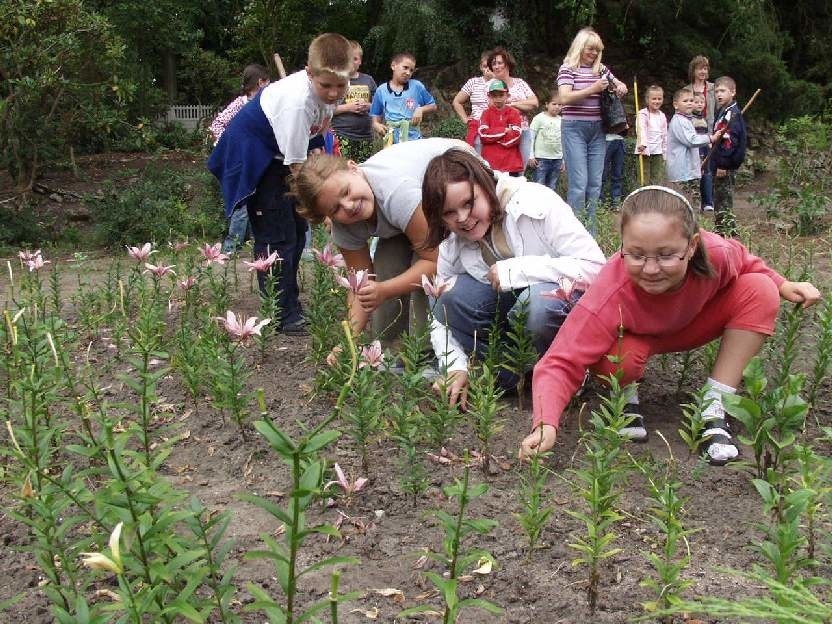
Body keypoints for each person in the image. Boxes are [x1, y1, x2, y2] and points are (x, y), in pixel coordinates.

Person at [520, 186, 820, 465]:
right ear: (622, 246)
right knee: (615, 358)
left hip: (693, 323)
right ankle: (624, 396)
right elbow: (560, 361)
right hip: (637, 338)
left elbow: (744, 259)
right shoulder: (609, 292)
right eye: (636, 255)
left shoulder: (716, 253)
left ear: (692, 246)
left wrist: (782, 283)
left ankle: (714, 402)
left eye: (666, 255)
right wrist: (545, 424)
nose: (650, 269)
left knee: (760, 289)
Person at [420, 149, 606, 409]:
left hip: (557, 312)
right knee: (446, 296)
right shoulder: (452, 240)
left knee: (536, 304)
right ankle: (509, 372)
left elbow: (596, 268)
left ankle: (567, 373)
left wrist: (517, 270)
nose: (462, 218)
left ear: (485, 185)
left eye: (468, 203)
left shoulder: (535, 201)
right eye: (449, 213)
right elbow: (440, 313)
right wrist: (454, 365)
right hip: (508, 321)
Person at [207, 33, 352, 336]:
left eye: (341, 85)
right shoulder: (296, 103)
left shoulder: (330, 92)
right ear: (309, 73)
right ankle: (280, 311)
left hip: (281, 153)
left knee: (297, 233)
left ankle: (290, 301)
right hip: (255, 155)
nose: (334, 92)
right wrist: (323, 210)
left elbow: (319, 134)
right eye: (326, 85)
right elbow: (298, 169)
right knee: (277, 235)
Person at [295, 139, 471, 340]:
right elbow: (361, 284)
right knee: (386, 263)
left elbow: (434, 261)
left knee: (422, 275)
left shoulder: (396, 192)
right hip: (411, 215)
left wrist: (385, 290)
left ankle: (426, 350)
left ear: (354, 169)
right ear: (327, 216)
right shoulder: (344, 226)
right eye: (335, 209)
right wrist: (349, 342)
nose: (349, 206)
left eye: (346, 192)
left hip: (459, 180)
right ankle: (390, 349)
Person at [557, 27, 628, 234]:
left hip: (598, 130)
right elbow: (564, 98)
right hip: (574, 128)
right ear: (580, 47)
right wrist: (593, 89)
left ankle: (592, 231)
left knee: (595, 182)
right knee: (579, 182)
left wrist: (621, 86)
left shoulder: (602, 69)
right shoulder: (567, 68)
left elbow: (619, 84)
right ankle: (574, 231)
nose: (594, 53)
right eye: (590, 49)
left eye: (597, 50)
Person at [209, 64, 271, 254]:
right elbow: (217, 124)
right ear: (260, 82)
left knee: (258, 201)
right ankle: (231, 247)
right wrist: (228, 146)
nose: (270, 85)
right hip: (240, 160)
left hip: (258, 160)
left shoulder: (268, 103)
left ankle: (257, 244)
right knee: (241, 201)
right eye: (267, 81)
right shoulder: (240, 103)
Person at [486, 47, 539, 166]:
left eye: (500, 63)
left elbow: (534, 103)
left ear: (508, 64)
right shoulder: (490, 85)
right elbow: (494, 107)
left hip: (523, 131)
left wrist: (513, 104)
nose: (496, 66)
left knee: (520, 169)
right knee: (501, 171)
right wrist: (523, 105)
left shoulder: (520, 83)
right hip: (502, 133)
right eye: (494, 64)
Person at [370, 52, 436, 145]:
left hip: (414, 140)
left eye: (411, 70)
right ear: (393, 66)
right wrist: (376, 124)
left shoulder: (417, 86)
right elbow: (375, 115)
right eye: (405, 67)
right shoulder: (381, 90)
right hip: (392, 141)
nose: (408, 72)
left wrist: (420, 109)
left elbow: (433, 106)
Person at [709, 76, 747, 237]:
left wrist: (723, 164)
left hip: (726, 165)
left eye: (723, 91)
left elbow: (730, 141)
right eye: (716, 91)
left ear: (733, 92)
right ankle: (721, 229)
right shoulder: (723, 111)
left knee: (724, 199)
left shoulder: (732, 114)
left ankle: (727, 232)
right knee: (719, 197)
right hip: (719, 162)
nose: (719, 94)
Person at [331, 40, 377, 162]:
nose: (352, 62)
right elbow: (327, 109)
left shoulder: (368, 80)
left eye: (355, 59)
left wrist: (368, 106)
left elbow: (379, 107)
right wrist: (348, 107)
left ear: (360, 61)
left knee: (362, 170)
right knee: (342, 169)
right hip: (341, 134)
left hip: (365, 136)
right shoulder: (336, 81)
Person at [666, 87, 711, 203]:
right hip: (681, 173)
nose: (689, 103)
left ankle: (692, 220)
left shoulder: (687, 120)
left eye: (691, 100)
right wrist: (710, 138)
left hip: (689, 171)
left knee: (692, 201)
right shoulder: (678, 121)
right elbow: (691, 141)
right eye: (685, 101)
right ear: (676, 105)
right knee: (682, 202)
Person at [478, 79, 524, 176]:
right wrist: (504, 130)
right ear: (489, 96)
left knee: (512, 191)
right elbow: (483, 135)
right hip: (490, 164)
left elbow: (516, 137)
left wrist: (494, 137)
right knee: (490, 191)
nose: (498, 98)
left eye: (501, 95)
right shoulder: (486, 113)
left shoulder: (514, 113)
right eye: (494, 96)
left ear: (507, 95)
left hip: (511, 164)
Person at [452, 51, 494, 150]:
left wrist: (494, 79)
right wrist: (465, 119)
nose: (487, 69)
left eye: (491, 66)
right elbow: (456, 102)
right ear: (481, 67)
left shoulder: (501, 82)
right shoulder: (473, 82)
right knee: (476, 154)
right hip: (477, 126)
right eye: (485, 66)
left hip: (495, 125)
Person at [528, 92, 564, 192]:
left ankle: (550, 207)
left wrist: (563, 160)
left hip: (557, 159)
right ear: (547, 104)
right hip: (541, 159)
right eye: (554, 104)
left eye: (560, 105)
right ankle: (538, 207)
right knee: (539, 187)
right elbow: (531, 137)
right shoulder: (539, 118)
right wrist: (531, 155)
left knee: (552, 187)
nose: (557, 107)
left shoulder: (562, 120)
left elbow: (563, 141)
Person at [635, 85, 667, 185]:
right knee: (644, 179)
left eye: (659, 99)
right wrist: (643, 143)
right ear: (647, 100)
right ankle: (643, 198)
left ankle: (654, 199)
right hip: (644, 151)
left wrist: (665, 152)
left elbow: (665, 135)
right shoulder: (642, 114)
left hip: (658, 152)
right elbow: (641, 129)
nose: (656, 101)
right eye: (654, 99)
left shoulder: (662, 116)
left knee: (657, 178)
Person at [691, 92, 714, 212]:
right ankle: (696, 202)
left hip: (705, 148)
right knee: (697, 175)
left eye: (702, 102)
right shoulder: (689, 118)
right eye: (696, 102)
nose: (699, 104)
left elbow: (708, 133)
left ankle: (708, 202)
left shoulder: (704, 118)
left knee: (707, 173)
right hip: (695, 149)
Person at [601, 129, 626, 207]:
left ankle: (616, 203)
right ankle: (599, 203)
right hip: (606, 139)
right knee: (602, 175)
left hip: (620, 139)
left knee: (617, 174)